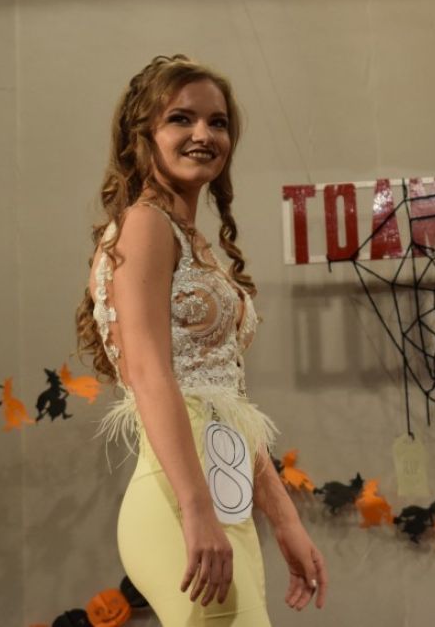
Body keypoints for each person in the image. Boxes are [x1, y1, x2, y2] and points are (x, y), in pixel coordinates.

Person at [76, 54, 327, 623]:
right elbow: (149, 375)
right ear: (142, 134)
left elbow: (223, 402)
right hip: (179, 501)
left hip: (222, 498)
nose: (203, 134)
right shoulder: (145, 224)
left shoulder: (191, 240)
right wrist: (194, 508)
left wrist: (284, 518)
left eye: (218, 122)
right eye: (181, 119)